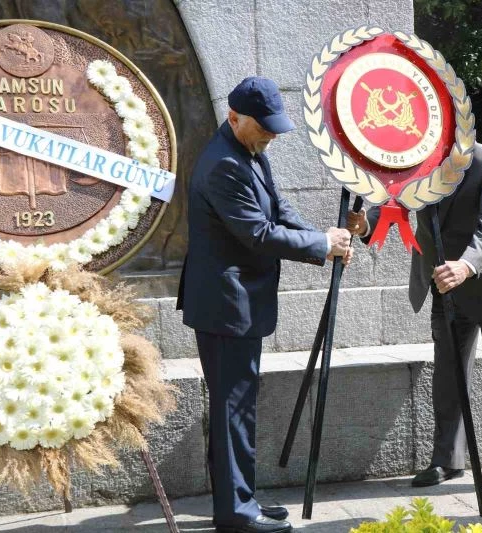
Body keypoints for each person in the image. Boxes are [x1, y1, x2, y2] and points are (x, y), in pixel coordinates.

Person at [177, 76, 352, 533]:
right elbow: (257, 233)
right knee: (233, 409)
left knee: (237, 408)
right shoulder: (223, 166)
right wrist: (320, 244)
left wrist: (324, 239)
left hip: (236, 305)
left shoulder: (248, 152)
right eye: (265, 126)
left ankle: (240, 500)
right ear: (234, 117)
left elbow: (279, 208)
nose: (272, 135)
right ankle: (236, 514)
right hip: (224, 306)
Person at [348, 143, 482, 498]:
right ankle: (448, 459)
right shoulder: (415, 159)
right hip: (443, 284)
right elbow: (392, 202)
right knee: (447, 374)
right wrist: (363, 227)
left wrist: (466, 265)